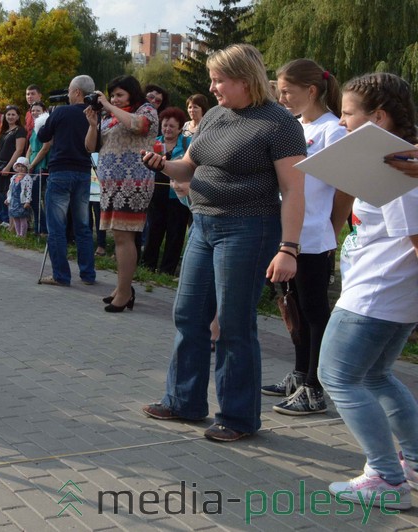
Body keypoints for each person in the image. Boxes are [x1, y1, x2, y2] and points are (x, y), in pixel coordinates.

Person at [140, 44, 306, 442]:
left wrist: (289, 248)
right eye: (212, 79)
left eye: (219, 80)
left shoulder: (280, 123)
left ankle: (238, 417)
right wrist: (163, 163)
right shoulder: (215, 116)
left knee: (233, 324)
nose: (212, 87)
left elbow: (294, 189)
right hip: (203, 224)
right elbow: (189, 166)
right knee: (188, 315)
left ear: (245, 79)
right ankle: (184, 401)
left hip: (249, 229)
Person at [317, 72, 418, 510]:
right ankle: (412, 462)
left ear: (378, 116)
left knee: (337, 376)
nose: (341, 123)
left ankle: (387, 477)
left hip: (375, 296)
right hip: (390, 295)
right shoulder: (404, 159)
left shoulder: (396, 166)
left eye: (347, 114)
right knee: (375, 376)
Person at [263, 59, 352, 416]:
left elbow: (344, 191)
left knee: (315, 311)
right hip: (289, 235)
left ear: (311, 90)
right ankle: (300, 374)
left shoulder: (334, 131)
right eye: (279, 90)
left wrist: (331, 231)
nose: (281, 97)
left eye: (287, 90)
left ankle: (315, 388)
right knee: (293, 309)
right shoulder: (294, 126)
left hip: (314, 237)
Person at [84, 75, 157, 310]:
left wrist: (107, 105)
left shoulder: (147, 110)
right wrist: (93, 124)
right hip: (110, 184)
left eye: (119, 95)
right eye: (112, 94)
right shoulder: (110, 117)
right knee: (120, 237)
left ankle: (125, 293)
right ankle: (122, 287)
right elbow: (90, 147)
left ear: (132, 94)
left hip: (133, 183)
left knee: (124, 236)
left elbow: (138, 126)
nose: (114, 98)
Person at [36, 74, 98, 287]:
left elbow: (42, 136)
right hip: (82, 172)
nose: (68, 94)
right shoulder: (93, 115)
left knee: (57, 226)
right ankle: (88, 274)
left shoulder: (60, 111)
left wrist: (49, 119)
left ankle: (61, 275)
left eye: (70, 90)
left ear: (77, 92)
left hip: (61, 171)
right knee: (83, 226)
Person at [142, 107, 192, 276]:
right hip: (155, 195)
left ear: (179, 128)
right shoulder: (154, 143)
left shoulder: (187, 143)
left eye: (172, 126)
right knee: (153, 230)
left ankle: (167, 271)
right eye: (165, 125)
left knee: (176, 234)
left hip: (178, 196)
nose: (167, 129)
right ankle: (147, 267)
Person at [0, 105, 27, 228]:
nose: (10, 117)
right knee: (0, 193)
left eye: (13, 114)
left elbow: (19, 150)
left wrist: (8, 167)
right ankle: (2, 217)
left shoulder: (20, 131)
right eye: (8, 114)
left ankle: (10, 222)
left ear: (18, 116)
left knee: (10, 194)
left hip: (11, 166)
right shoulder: (3, 130)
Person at [26, 101, 50, 236]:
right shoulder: (33, 128)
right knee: (33, 198)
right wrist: (25, 163)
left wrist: (33, 164)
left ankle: (44, 229)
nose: (34, 113)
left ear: (44, 111)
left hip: (41, 166)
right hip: (31, 165)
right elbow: (30, 148)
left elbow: (45, 148)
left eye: (37, 110)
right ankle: (38, 228)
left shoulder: (45, 126)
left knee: (39, 198)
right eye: (33, 110)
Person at [4, 157, 32, 237]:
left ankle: (23, 235)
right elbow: (11, 189)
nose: (20, 168)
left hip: (22, 201)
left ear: (26, 168)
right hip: (14, 201)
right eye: (19, 166)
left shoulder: (27, 178)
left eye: (23, 166)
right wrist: (8, 199)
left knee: (22, 218)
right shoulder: (14, 178)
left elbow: (28, 191)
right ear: (16, 167)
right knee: (15, 218)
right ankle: (18, 233)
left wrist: (27, 201)